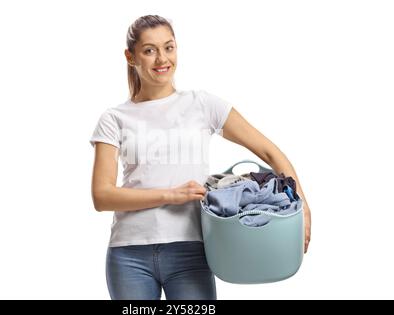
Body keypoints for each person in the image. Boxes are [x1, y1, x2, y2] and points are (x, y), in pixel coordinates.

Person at [90, 15, 311, 300]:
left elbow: (270, 152)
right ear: (130, 56)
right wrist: (171, 195)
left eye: (169, 47)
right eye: (149, 50)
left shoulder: (202, 105)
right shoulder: (114, 119)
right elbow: (102, 196)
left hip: (191, 251)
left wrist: (303, 208)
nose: (162, 59)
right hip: (129, 254)